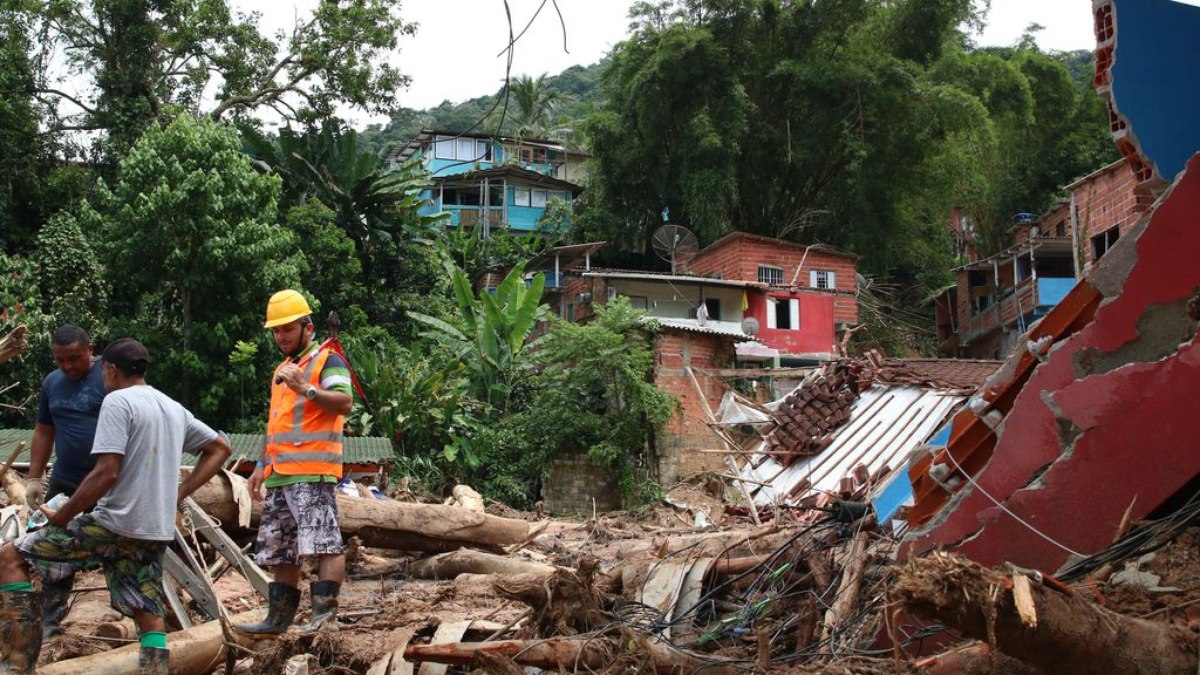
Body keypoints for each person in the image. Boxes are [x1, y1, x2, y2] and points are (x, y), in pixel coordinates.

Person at [0, 338, 232, 674]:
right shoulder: (171, 406)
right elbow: (220, 448)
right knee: (147, 609)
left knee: (10, 556)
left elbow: (106, 472)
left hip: (114, 524)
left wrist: (64, 515)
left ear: (109, 369)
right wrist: (177, 494)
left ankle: (15, 668)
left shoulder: (118, 401)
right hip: (153, 527)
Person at [235, 290, 352, 637]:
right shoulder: (283, 369)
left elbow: (344, 402)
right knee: (280, 550)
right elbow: (276, 424)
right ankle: (278, 620)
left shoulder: (328, 360)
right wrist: (260, 465)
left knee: (324, 544)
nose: (281, 336)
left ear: (307, 327)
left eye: (287, 329)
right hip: (279, 475)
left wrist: (308, 390)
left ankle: (323, 619)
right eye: (276, 330)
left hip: (313, 473)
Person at [26, 324, 106, 639]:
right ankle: (50, 626)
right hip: (66, 481)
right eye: (61, 360)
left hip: (107, 483)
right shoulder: (52, 383)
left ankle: (138, 619)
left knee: (120, 550)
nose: (68, 366)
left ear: (90, 349)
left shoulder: (111, 377)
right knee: (54, 551)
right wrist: (34, 476)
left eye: (74, 358)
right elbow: (44, 429)